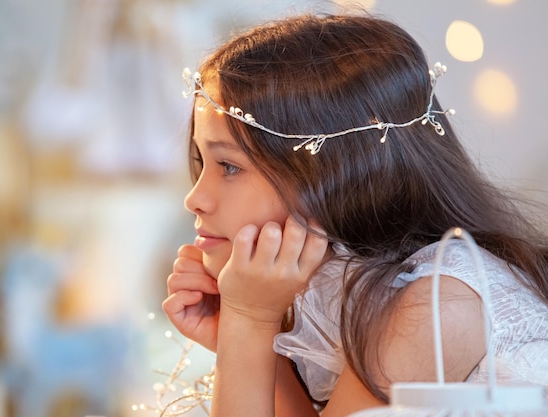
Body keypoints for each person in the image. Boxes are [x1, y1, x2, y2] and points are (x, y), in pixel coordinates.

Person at [161, 12, 548, 417]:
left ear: (336, 171)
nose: (195, 198)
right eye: (200, 161)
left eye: (229, 167)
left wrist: (248, 321)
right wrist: (246, 334)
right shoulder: (338, 290)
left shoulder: (436, 305)